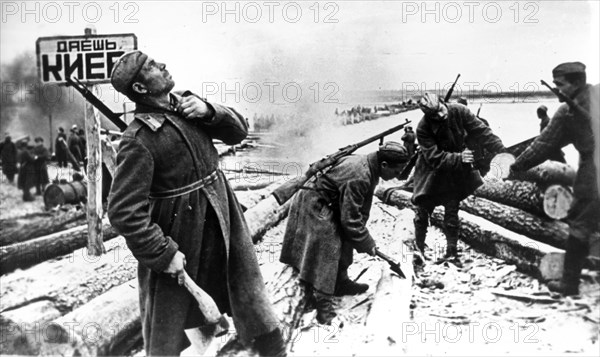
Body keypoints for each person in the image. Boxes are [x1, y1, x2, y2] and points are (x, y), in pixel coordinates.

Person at [106, 50, 285, 356]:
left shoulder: (190, 107)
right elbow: (123, 212)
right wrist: (162, 252)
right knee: (174, 324)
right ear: (139, 89)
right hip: (181, 235)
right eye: (151, 66)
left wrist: (210, 110)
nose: (161, 64)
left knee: (249, 297)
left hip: (223, 218)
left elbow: (238, 132)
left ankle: (271, 347)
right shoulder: (137, 140)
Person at [280, 142, 409, 325]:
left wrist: (360, 239)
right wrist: (368, 243)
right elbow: (350, 220)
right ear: (384, 165)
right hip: (314, 203)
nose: (398, 176)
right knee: (329, 245)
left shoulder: (370, 166)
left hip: (330, 202)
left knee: (346, 238)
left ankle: (340, 282)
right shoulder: (360, 175)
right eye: (396, 171)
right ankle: (323, 305)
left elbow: (356, 212)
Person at [510, 62, 599, 296]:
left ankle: (569, 285)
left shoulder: (567, 112)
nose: (557, 91)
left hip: (594, 172)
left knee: (579, 226)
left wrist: (514, 167)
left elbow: (541, 146)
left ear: (578, 82)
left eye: (560, 85)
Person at [412, 93, 506, 260]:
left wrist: (502, 150)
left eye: (440, 110)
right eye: (434, 115)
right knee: (423, 210)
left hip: (454, 169)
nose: (440, 115)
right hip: (431, 170)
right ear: (427, 115)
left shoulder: (459, 111)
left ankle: (452, 252)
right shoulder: (423, 128)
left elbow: (482, 132)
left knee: (452, 207)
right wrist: (459, 158)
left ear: (443, 102)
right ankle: (418, 250)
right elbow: (434, 157)